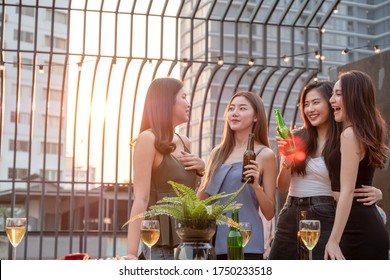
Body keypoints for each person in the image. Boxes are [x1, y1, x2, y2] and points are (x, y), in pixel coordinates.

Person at [269, 81, 383, 260]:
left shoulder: (344, 139)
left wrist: (377, 192)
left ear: (330, 103)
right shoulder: (296, 137)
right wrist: (287, 162)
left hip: (324, 213)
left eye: (316, 102)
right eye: (306, 104)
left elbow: (351, 182)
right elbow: (282, 187)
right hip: (290, 212)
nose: (310, 109)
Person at [126, 77, 205, 260]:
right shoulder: (147, 139)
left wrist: (202, 170)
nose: (188, 103)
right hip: (159, 245)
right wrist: (131, 253)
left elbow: (191, 195)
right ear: (167, 102)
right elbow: (141, 198)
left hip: (189, 242)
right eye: (183, 97)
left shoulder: (185, 142)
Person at [197, 91, 277, 260]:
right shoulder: (217, 153)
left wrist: (256, 186)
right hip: (213, 243)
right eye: (231, 108)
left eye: (242, 108)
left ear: (256, 117)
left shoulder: (265, 154)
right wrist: (198, 173)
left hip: (248, 242)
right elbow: (200, 201)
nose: (234, 113)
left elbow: (269, 213)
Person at [325, 70, 389, 260]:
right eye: (332, 94)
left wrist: (333, 240)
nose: (331, 100)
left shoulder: (350, 135)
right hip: (360, 224)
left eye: (338, 94)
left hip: (357, 229)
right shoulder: (358, 132)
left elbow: (347, 191)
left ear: (353, 97)